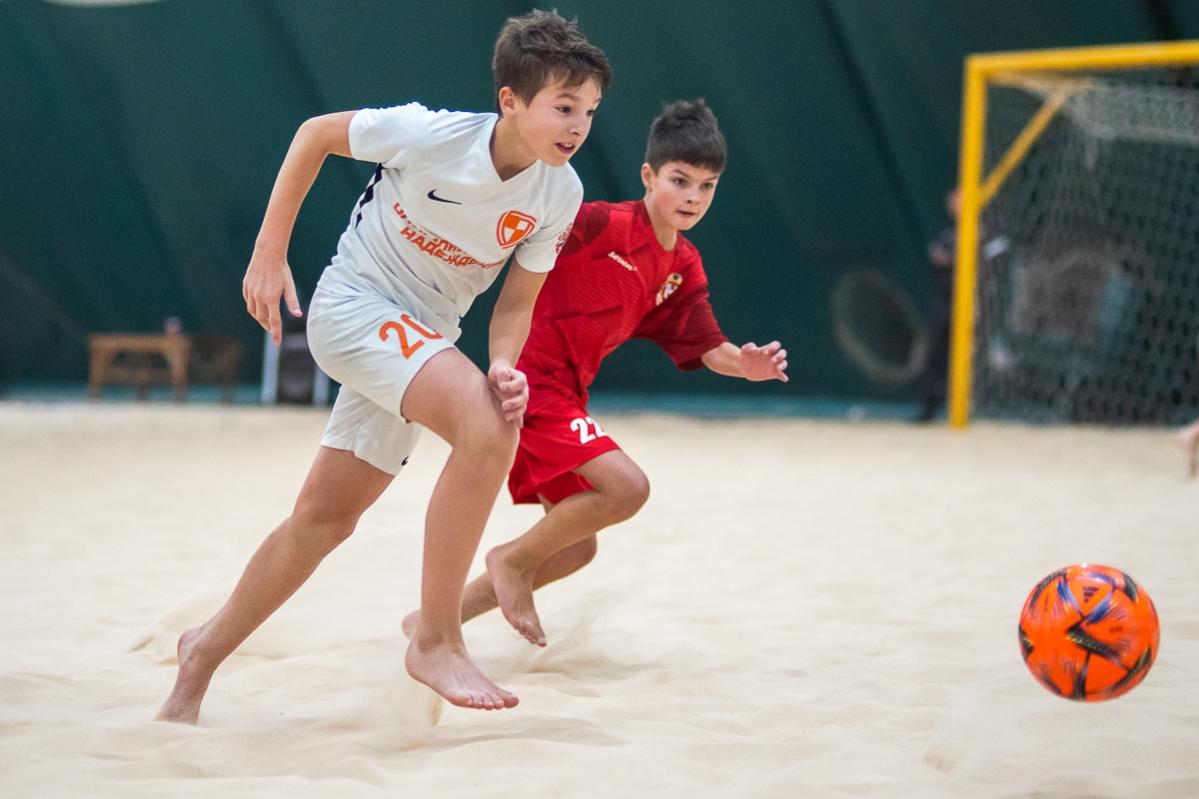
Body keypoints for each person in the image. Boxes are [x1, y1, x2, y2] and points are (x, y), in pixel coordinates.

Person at [157, 10, 611, 721]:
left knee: (324, 521)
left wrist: (501, 362)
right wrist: (270, 251)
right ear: (511, 100)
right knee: (488, 428)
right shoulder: (430, 135)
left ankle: (202, 651)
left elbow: (517, 303)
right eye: (563, 106)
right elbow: (315, 134)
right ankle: (436, 638)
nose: (577, 125)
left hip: (422, 340)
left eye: (588, 111)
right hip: (354, 308)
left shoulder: (561, 193)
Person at [402, 99, 788, 647]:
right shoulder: (600, 222)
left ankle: (430, 625)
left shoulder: (682, 266)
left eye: (707, 186)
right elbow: (524, 231)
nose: (693, 197)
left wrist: (744, 366)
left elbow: (705, 342)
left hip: (568, 397)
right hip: (528, 385)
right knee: (628, 488)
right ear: (649, 176)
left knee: (574, 549)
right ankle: (510, 561)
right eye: (680, 181)